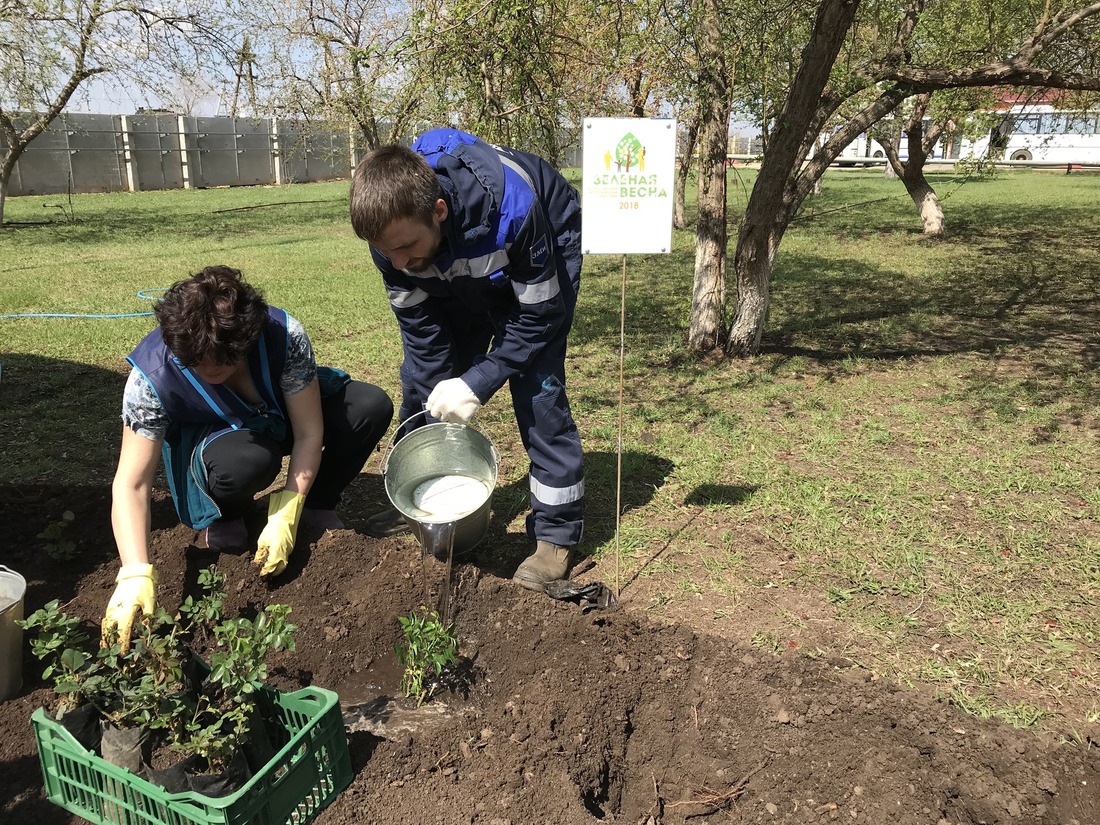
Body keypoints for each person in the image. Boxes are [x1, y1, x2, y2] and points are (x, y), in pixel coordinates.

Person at [101, 266, 393, 647]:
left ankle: (317, 504)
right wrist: (135, 572)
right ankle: (229, 513)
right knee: (247, 462)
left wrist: (290, 508)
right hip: (221, 440)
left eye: (221, 363)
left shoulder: (282, 336)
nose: (208, 371)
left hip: (279, 414)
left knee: (367, 406)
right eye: (196, 365)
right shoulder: (151, 377)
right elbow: (132, 482)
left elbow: (308, 432)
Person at [349, 127, 584, 594]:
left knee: (538, 387)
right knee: (422, 382)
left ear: (438, 210)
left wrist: (480, 380)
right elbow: (423, 335)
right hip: (455, 256)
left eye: (404, 248)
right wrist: (442, 385)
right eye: (384, 251)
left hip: (542, 241)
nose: (395, 263)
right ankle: (418, 504)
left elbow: (539, 317)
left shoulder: (513, 209)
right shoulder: (395, 240)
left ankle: (554, 535)